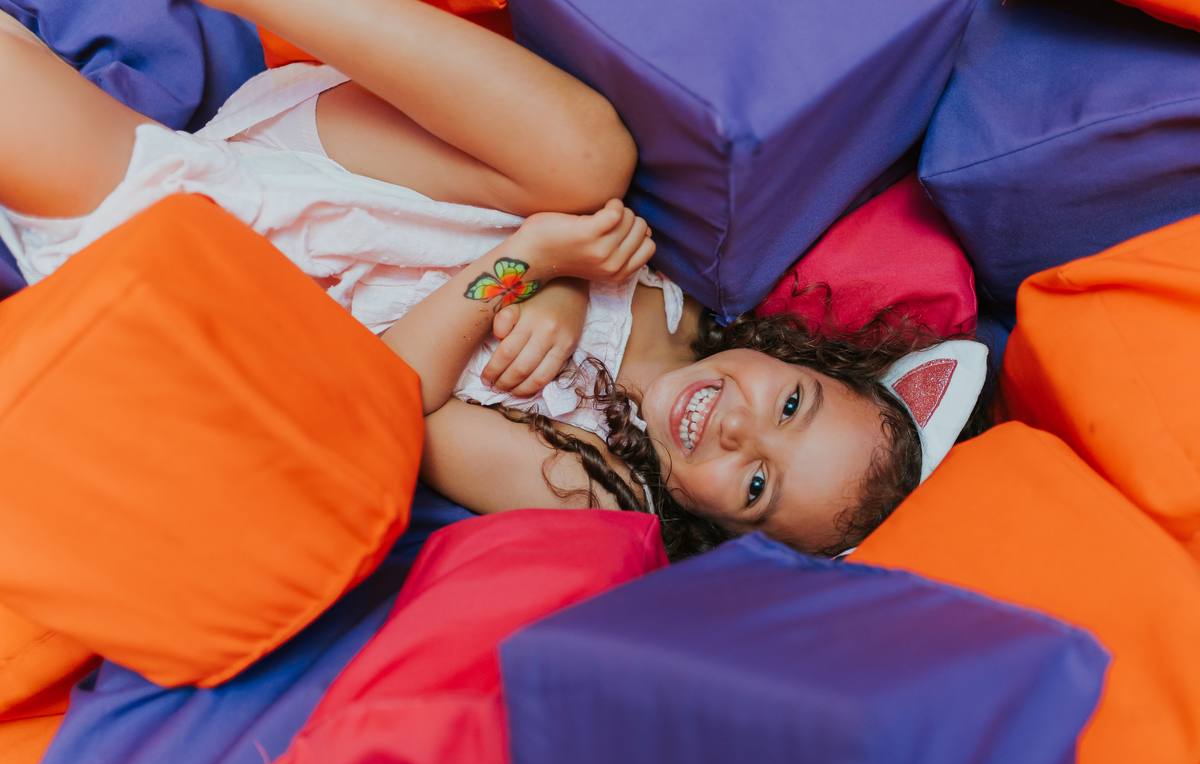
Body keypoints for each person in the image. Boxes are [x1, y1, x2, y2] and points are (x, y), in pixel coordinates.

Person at [0, 0, 987, 562]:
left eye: (759, 481)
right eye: (793, 404)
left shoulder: (597, 487)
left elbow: (395, 403)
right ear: (797, 357)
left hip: (253, 265)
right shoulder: (687, 311)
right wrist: (561, 284)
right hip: (338, 169)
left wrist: (525, 270)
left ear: (729, 526)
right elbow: (580, 220)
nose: (742, 425)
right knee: (590, 157)